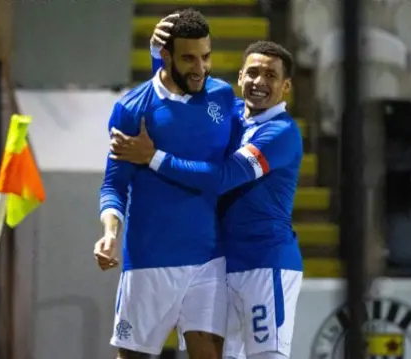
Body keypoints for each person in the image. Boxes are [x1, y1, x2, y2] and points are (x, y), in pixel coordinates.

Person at [110, 21, 304, 359]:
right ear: (240, 77)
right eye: (253, 74)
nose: (260, 83)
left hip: (266, 263)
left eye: (271, 76)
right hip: (226, 262)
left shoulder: (280, 133)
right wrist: (161, 58)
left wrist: (153, 157)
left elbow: (222, 177)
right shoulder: (234, 115)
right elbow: (179, 103)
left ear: (286, 86)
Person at [94, 9, 236, 359]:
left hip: (210, 257)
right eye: (188, 58)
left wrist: (154, 157)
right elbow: (114, 185)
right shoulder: (133, 109)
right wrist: (111, 234)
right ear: (166, 56)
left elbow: (221, 174)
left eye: (206, 57)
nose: (200, 68)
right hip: (150, 259)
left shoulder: (222, 97)